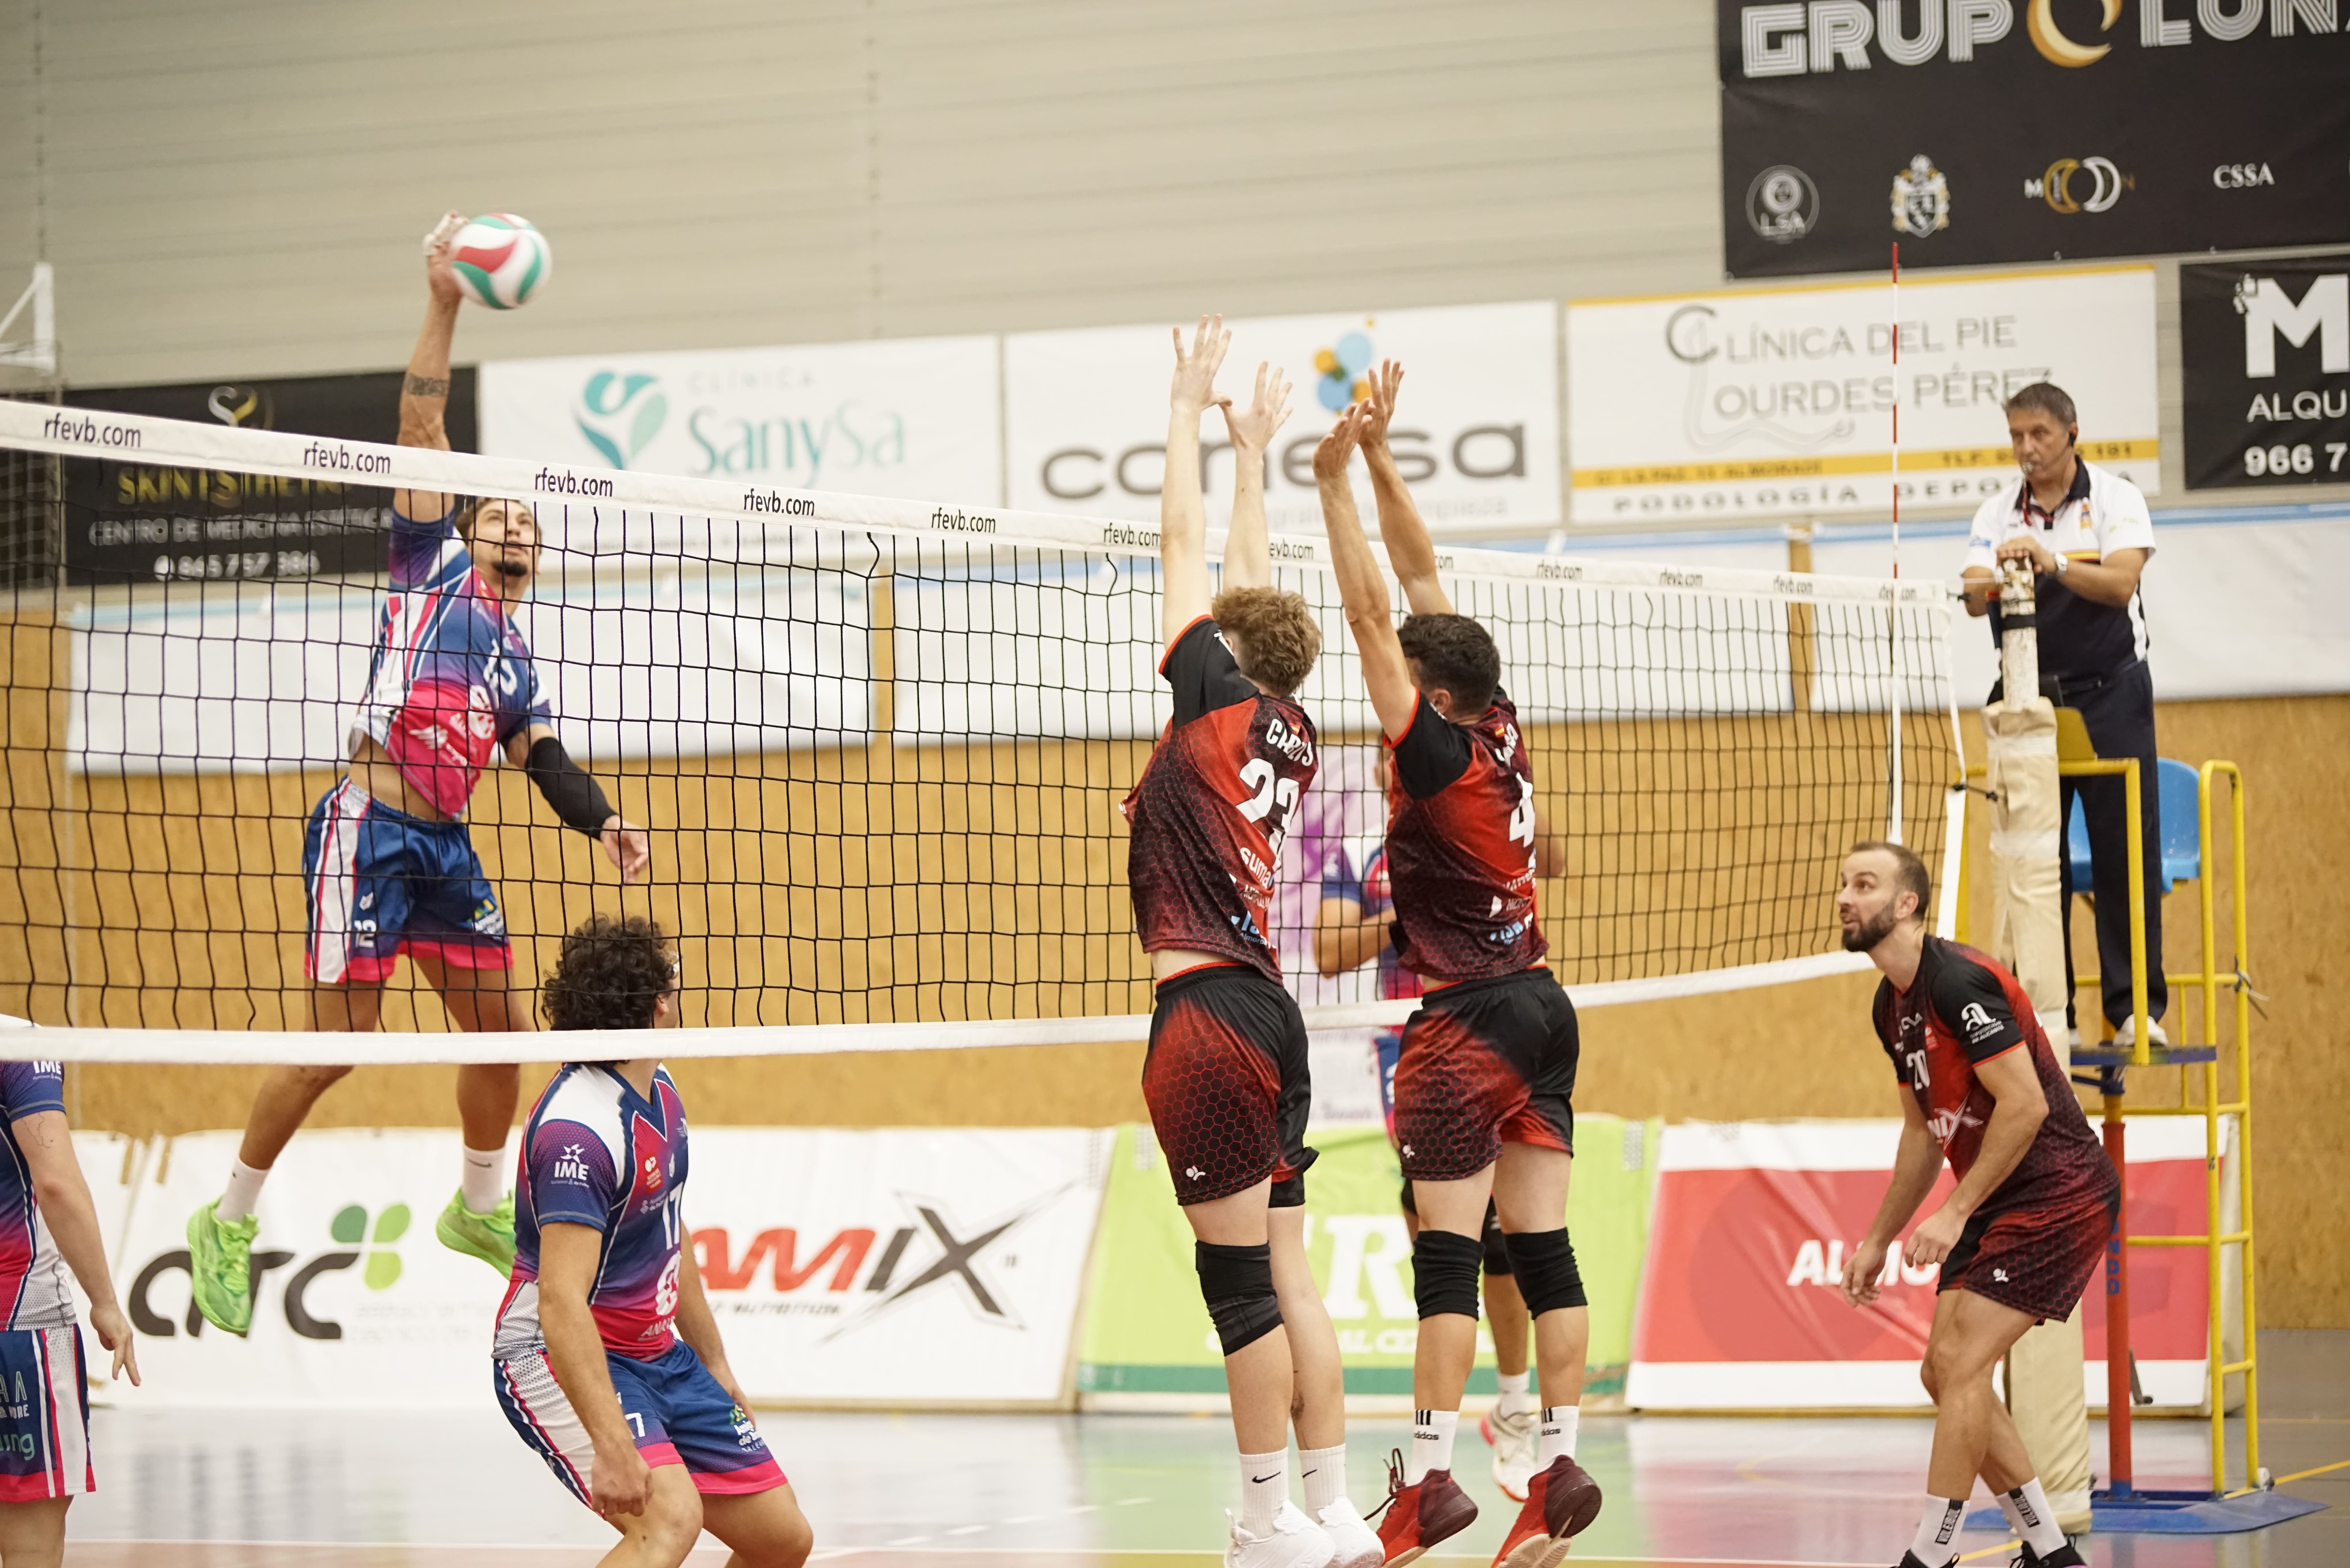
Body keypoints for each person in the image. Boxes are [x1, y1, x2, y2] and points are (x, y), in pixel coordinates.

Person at [184, 212, 651, 1337]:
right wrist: (444, 301)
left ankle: (479, 1205)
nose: (513, 527)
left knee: (499, 1032)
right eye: (498, 511)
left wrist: (606, 822)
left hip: (446, 844)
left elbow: (542, 759)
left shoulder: (518, 660)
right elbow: (420, 421)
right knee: (337, 1048)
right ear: (466, 525)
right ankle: (229, 1217)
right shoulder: (425, 561)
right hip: (368, 821)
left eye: (527, 522)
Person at [1313, 366, 1599, 1568]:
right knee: (1541, 1252)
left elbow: (1382, 614)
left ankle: (1426, 1482)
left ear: (1431, 696)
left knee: (1445, 1261)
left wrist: (1330, 481)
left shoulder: (1436, 755)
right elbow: (1426, 585)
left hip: (1465, 1025)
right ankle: (1561, 1460)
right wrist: (1385, 456)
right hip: (1545, 1008)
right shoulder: (1501, 722)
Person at [1120, 318, 1376, 1568]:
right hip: (1269, 1016)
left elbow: (1186, 556)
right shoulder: (1291, 725)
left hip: (1210, 1016)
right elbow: (1246, 588)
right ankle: (1329, 1509)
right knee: (1290, 1277)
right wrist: (1254, 451)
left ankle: (1266, 1525)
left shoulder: (1213, 703)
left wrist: (1183, 412)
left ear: (1228, 650)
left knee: (1238, 1297)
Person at [493, 914, 811, 1568]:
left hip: (656, 1351)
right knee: (667, 1521)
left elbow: (669, 1228)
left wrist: (715, 1362)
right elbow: (559, 1300)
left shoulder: (656, 1089)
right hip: (558, 1351)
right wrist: (610, 1439)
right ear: (658, 1005)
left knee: (781, 1541)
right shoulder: (577, 1130)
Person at [1834, 841, 2118, 1568]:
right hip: (1999, 1194)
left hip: (2056, 1188)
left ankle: (1930, 1557)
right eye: (1841, 884)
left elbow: (2022, 1105)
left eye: (1863, 884)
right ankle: (2052, 1554)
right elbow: (1920, 1134)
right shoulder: (1887, 1004)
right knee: (1942, 1372)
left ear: (1906, 903)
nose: (1843, 897)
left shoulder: (1958, 980)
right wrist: (1876, 1237)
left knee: (1960, 1366)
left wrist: (1953, 1212)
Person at [1312, 769, 1567, 1506]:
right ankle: (1441, 1453)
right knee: (1442, 1238)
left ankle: (1512, 1407)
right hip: (1414, 1045)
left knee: (1500, 1231)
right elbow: (1328, 950)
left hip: (1503, 1030)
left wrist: (1510, 783)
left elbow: (1555, 858)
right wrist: (1410, 919)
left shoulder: (1481, 817)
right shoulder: (1364, 847)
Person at [1960, 382, 2164, 1047]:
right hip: (2027, 703)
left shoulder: (2115, 498)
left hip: (2111, 695)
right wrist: (1995, 567)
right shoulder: (1995, 513)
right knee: (2031, 858)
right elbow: (1969, 596)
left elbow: (2119, 583)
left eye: (2038, 434)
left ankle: (2136, 1009)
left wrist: (2051, 562)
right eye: (2015, 435)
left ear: (2070, 432)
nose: (2025, 447)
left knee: (2119, 855)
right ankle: (2053, 1016)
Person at [0, 1044, 141, 1567]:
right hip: (25, 1323)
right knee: (29, 1546)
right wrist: (104, 1302)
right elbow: (55, 1182)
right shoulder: (19, 1045)